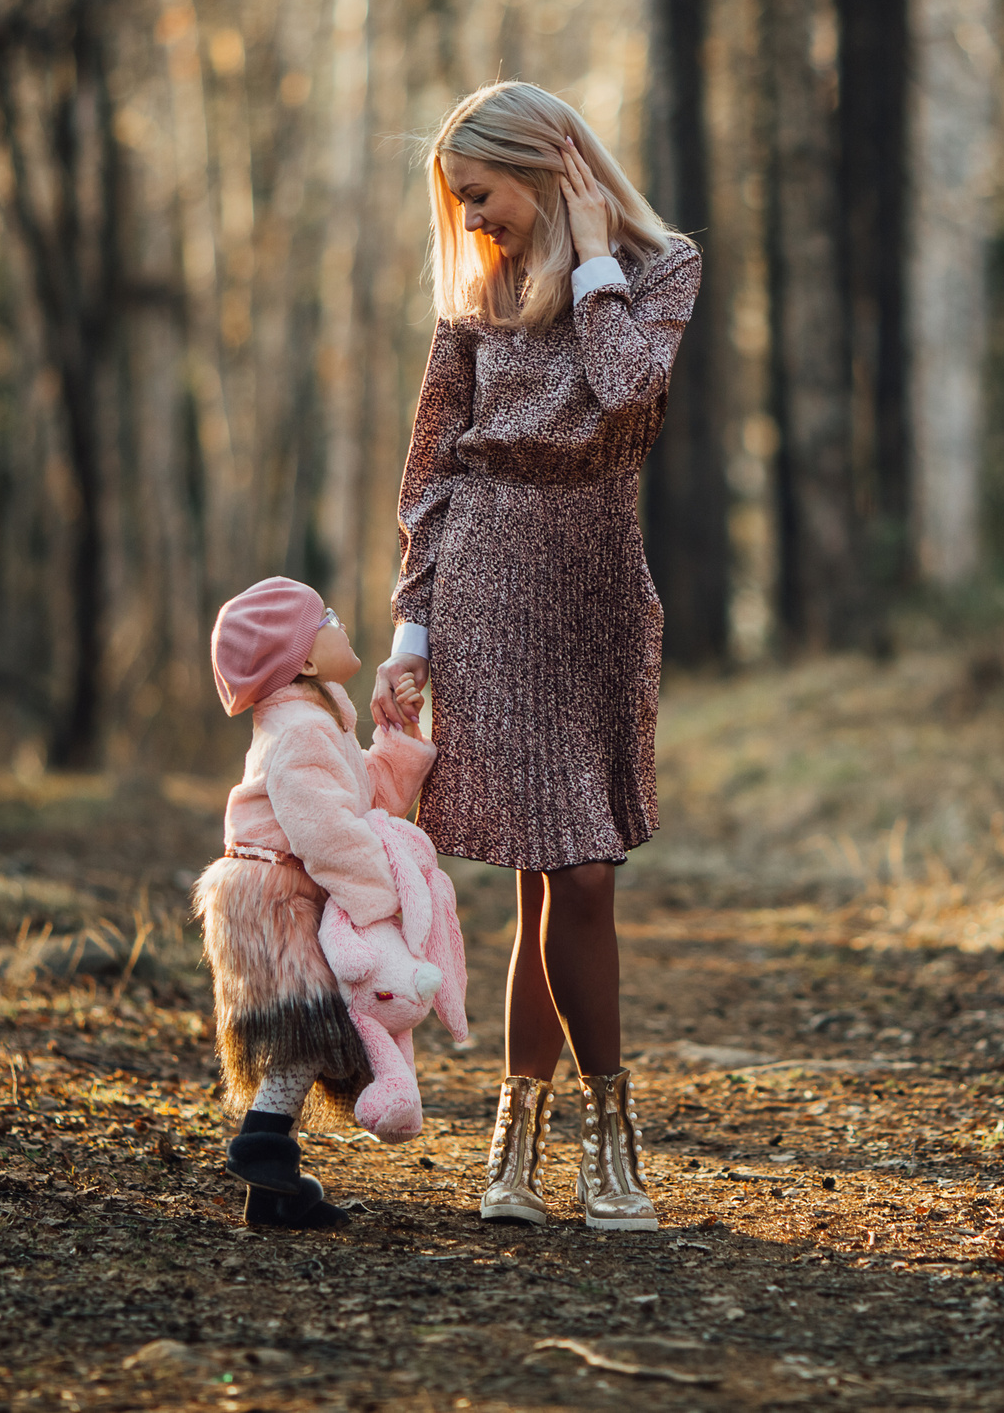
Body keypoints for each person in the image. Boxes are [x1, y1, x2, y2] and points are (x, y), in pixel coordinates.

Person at [371, 80, 699, 1232]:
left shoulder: (660, 270)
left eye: (481, 193)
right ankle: (524, 1142)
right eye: (455, 202)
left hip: (597, 585)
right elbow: (431, 472)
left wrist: (597, 256)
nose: (470, 221)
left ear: (548, 167)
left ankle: (593, 1141)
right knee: (552, 872)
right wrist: (411, 631)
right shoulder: (474, 296)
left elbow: (627, 396)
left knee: (580, 871)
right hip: (487, 583)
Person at [196, 576, 436, 1229]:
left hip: (287, 889)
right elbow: (327, 832)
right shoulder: (300, 728)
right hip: (275, 899)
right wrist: (378, 901)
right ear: (303, 659)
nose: (340, 619)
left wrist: (399, 732)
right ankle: (262, 1141)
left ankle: (272, 1190)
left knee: (312, 1029)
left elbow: (360, 797)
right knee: (313, 1025)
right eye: (324, 616)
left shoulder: (316, 716)